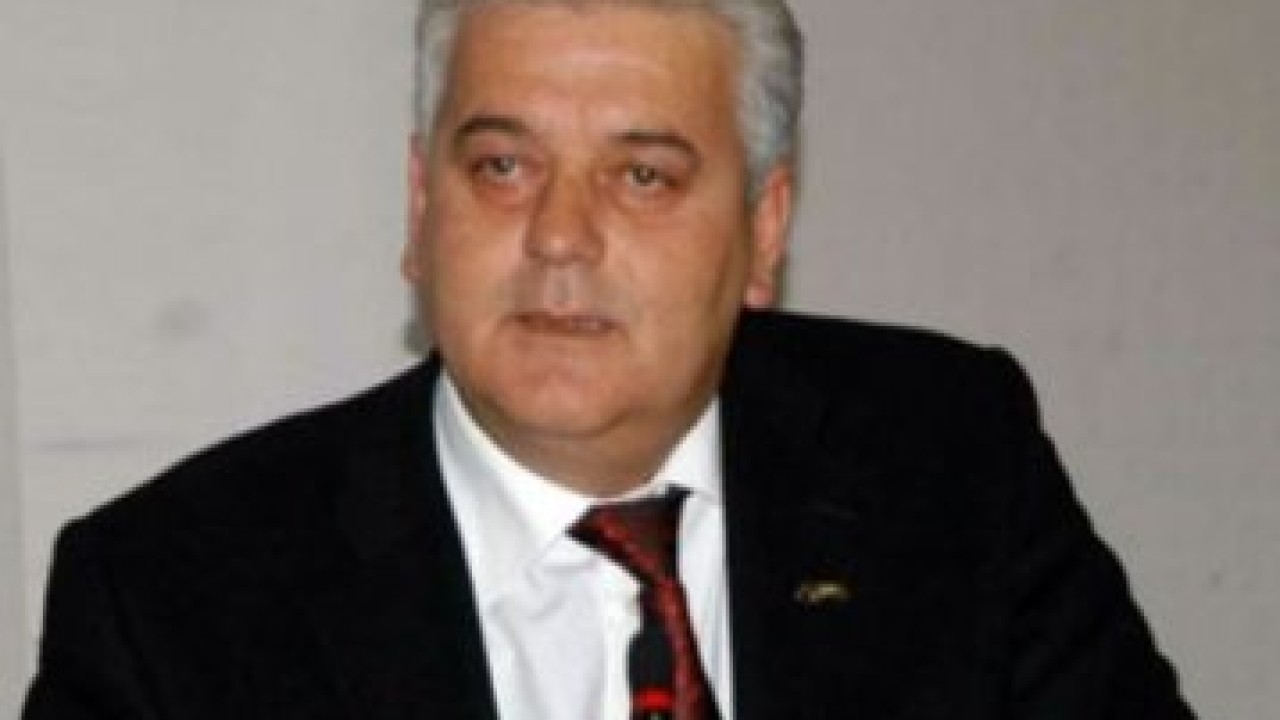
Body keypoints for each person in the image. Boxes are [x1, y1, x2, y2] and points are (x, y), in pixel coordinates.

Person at [23, 1, 1197, 718]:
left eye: (641, 175)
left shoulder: (950, 461)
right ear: (421, 207)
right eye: (502, 167)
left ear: (764, 231)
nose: (559, 235)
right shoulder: (172, 597)